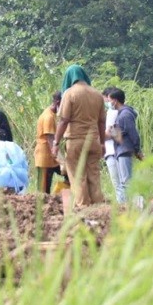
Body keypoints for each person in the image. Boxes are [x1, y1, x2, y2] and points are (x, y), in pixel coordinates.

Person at [51, 64, 106, 207]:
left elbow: (64, 120)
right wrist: (102, 143)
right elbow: (101, 122)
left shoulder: (69, 93)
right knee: (94, 174)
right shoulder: (97, 94)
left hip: (76, 141)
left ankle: (82, 206)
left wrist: (56, 142)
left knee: (77, 176)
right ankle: (99, 207)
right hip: (94, 140)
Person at [108, 88, 143, 204]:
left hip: (124, 150)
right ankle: (126, 207)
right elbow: (120, 134)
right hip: (120, 150)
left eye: (109, 100)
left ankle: (140, 204)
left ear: (115, 101)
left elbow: (133, 133)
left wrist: (138, 150)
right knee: (124, 182)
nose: (109, 103)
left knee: (127, 181)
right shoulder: (120, 115)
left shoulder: (125, 114)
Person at [35, 91, 64, 194]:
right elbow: (51, 140)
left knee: (69, 176)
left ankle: (59, 198)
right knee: (43, 191)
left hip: (51, 157)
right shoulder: (48, 117)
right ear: (58, 102)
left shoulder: (51, 114)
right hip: (45, 157)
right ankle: (44, 207)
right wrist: (61, 160)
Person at [101, 87, 120, 194]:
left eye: (105, 99)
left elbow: (111, 133)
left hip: (113, 152)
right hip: (112, 152)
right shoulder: (111, 112)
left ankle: (125, 207)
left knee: (118, 184)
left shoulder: (113, 113)